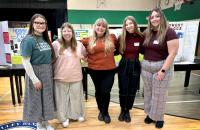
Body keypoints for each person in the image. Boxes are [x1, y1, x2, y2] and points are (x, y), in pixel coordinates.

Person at [141, 8, 179, 128]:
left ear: (162, 17)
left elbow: (173, 53)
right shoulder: (147, 32)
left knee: (159, 94)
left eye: (157, 16)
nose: (154, 19)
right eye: (152, 17)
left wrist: (163, 70)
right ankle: (150, 115)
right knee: (148, 93)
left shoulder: (169, 32)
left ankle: (159, 118)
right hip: (146, 67)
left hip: (161, 67)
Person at [20, 14, 55, 130]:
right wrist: (34, 79)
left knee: (47, 97)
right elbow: (25, 62)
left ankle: (46, 122)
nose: (40, 25)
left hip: (47, 71)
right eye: (37, 23)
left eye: (43, 23)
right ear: (32, 24)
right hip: (35, 72)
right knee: (36, 98)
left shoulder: (45, 38)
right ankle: (38, 123)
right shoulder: (28, 40)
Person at [81, 18, 117, 124]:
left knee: (106, 92)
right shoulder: (88, 40)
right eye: (98, 25)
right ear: (94, 26)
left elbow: (119, 48)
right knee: (98, 91)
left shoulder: (112, 38)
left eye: (103, 26)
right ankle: (101, 110)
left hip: (109, 70)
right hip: (94, 70)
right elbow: (75, 45)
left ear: (106, 28)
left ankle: (105, 112)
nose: (100, 27)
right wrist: (83, 57)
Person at [52, 22, 86, 128]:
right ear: (61, 32)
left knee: (76, 98)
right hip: (60, 77)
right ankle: (63, 118)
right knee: (61, 100)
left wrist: (83, 57)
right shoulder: (55, 44)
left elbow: (85, 57)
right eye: (65, 31)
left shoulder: (79, 45)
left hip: (76, 76)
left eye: (69, 31)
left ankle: (76, 115)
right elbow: (50, 60)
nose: (67, 33)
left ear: (72, 33)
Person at [117, 16, 144, 123]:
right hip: (124, 64)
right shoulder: (121, 37)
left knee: (132, 90)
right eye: (126, 24)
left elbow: (144, 50)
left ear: (135, 24)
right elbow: (116, 51)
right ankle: (122, 110)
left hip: (136, 65)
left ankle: (127, 110)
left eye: (130, 23)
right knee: (123, 89)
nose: (128, 26)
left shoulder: (140, 37)